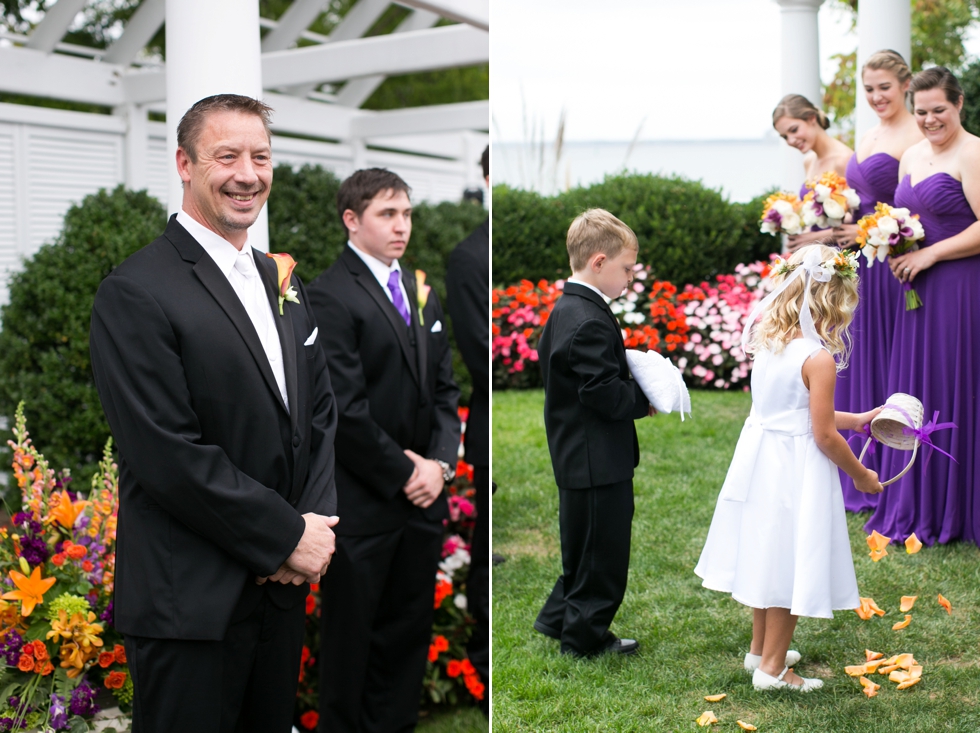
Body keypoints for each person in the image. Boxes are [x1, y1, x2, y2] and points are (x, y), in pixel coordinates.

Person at [89, 94, 340, 733]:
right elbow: (165, 451)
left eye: (260, 156)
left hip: (280, 596)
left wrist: (310, 527)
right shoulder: (136, 290)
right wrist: (283, 538)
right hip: (192, 604)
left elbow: (316, 411)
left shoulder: (278, 275)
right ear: (184, 163)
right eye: (226, 156)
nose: (247, 174)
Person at [308, 168, 460, 732]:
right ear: (352, 220)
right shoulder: (328, 295)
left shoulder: (421, 289)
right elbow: (345, 411)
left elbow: (447, 391)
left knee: (406, 637)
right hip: (364, 504)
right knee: (351, 646)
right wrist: (405, 471)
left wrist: (441, 466)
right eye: (387, 214)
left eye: (407, 213)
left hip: (422, 502)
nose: (402, 227)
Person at [695, 244, 883, 692]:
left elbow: (792, 413)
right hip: (795, 470)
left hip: (763, 464)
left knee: (769, 557)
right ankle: (774, 669)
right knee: (792, 564)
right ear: (830, 302)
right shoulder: (817, 359)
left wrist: (855, 420)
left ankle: (760, 650)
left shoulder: (770, 344)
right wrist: (860, 474)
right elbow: (821, 436)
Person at [533, 208, 654, 658]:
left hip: (578, 454)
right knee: (602, 553)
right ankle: (584, 639)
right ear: (599, 262)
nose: (629, 279)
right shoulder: (586, 318)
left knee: (582, 545)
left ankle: (556, 618)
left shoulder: (570, 308)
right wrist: (645, 399)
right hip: (595, 459)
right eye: (626, 269)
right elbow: (601, 393)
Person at [867, 67, 980, 545]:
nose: (930, 120)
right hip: (915, 291)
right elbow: (904, 216)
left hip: (960, 287)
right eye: (922, 112)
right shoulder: (911, 153)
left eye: (939, 110)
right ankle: (916, 500)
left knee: (956, 384)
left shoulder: (973, 152)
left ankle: (956, 504)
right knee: (916, 388)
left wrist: (931, 252)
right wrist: (894, 243)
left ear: (958, 105)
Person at [831, 50, 922, 513]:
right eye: (869, 89)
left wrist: (868, 230)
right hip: (858, 264)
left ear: (905, 85)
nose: (876, 96)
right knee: (857, 354)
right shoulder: (868, 134)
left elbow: (914, 203)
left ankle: (889, 467)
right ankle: (854, 467)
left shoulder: (914, 135)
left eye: (884, 87)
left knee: (888, 357)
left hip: (889, 262)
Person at [445, 145, 490, 715]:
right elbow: (477, 345)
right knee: (480, 546)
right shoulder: (466, 255)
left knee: (488, 529)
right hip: (486, 409)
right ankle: (479, 661)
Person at [772, 94, 854, 253]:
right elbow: (812, 216)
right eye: (785, 137)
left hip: (840, 253)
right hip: (815, 253)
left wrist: (814, 238)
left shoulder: (844, 159)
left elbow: (856, 217)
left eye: (794, 130)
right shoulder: (809, 161)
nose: (790, 140)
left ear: (811, 118)